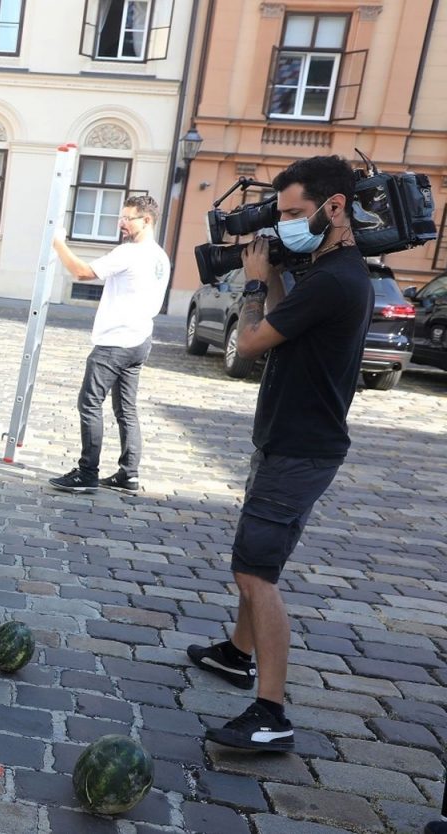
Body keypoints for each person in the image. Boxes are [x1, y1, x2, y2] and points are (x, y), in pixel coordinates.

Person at [186, 155, 370, 751]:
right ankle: (237, 655)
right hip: (289, 440)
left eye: (295, 213)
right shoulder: (328, 271)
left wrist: (258, 278)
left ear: (334, 208)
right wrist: (283, 265)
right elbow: (289, 322)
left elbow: (249, 345)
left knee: (254, 571)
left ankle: (271, 712)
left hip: (300, 448)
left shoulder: (339, 280)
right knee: (257, 559)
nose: (286, 222)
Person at [47, 195, 170, 495]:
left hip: (115, 341)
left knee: (89, 403)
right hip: (140, 339)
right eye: (122, 217)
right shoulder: (160, 257)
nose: (121, 223)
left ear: (147, 220)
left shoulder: (131, 253)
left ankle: (87, 472)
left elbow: (82, 272)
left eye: (128, 218)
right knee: (126, 409)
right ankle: (129, 474)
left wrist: (58, 243)